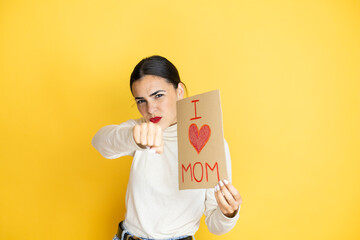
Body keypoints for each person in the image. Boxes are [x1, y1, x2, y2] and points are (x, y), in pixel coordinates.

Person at [91, 55, 242, 240]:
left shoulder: (210, 142)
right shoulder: (139, 129)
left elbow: (215, 225)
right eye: (141, 101)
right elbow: (99, 141)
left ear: (179, 91)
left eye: (158, 96)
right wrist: (134, 137)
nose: (150, 109)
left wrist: (228, 213)